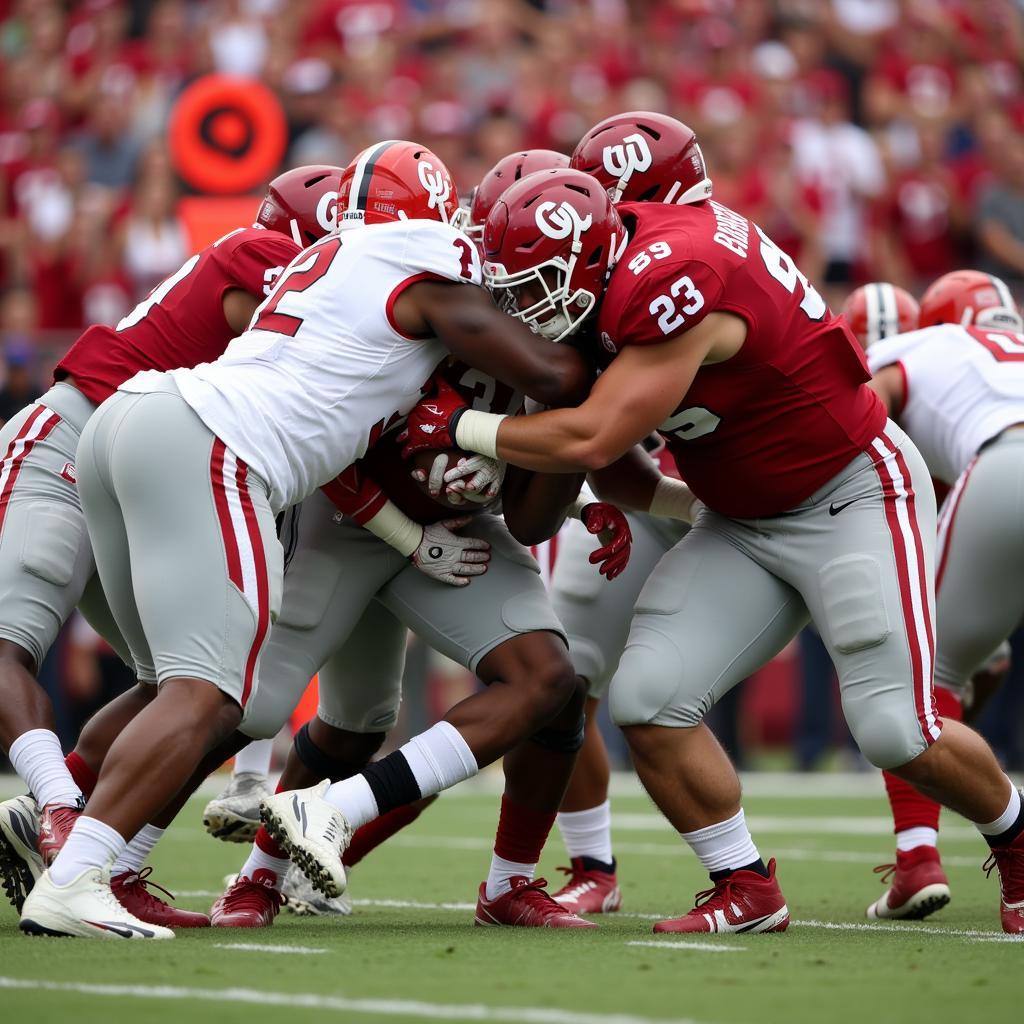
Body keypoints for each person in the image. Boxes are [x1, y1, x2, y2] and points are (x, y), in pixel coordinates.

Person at [400, 168, 1024, 935]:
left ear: (591, 254)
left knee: (895, 728)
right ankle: (747, 885)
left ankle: (1018, 837)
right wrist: (676, 502)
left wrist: (459, 429)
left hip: (850, 493)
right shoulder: (612, 272)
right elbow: (617, 467)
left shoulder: (674, 278)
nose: (527, 308)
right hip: (739, 518)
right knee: (648, 699)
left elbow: (594, 435)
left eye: (539, 286)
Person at [17, 140, 591, 940]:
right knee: (209, 694)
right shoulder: (431, 256)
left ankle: (72, 836)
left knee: (172, 685)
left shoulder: (336, 255)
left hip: (134, 422)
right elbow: (557, 377)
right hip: (216, 444)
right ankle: (79, 872)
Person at [0, 164, 343, 929]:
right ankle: (58, 808)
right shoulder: (265, 256)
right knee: (7, 636)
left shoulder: (266, 256)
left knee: (189, 685)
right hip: (72, 433)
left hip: (150, 467)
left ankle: (90, 853)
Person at [864, 269, 1024, 926]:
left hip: (1008, 464)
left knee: (915, 677)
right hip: (1001, 463)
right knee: (968, 663)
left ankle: (917, 859)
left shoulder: (925, 346)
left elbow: (863, 409)